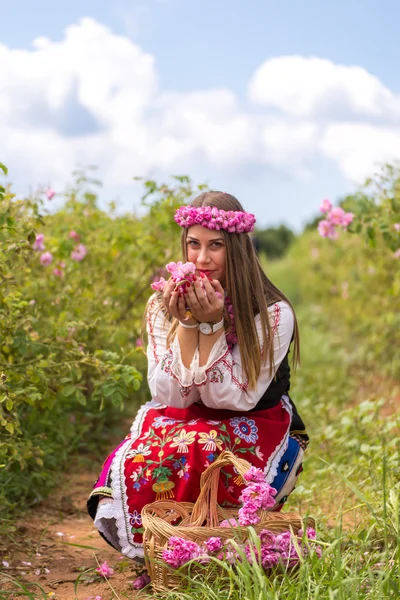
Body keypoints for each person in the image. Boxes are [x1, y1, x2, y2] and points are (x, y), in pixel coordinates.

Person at [87, 191, 309, 560]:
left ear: (236, 249)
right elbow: (171, 396)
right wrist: (187, 325)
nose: (201, 259)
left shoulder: (272, 312)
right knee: (155, 454)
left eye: (216, 246)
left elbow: (234, 398)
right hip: (184, 415)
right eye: (193, 244)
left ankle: (213, 543)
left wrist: (212, 327)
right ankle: (165, 548)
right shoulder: (162, 305)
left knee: (201, 446)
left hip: (254, 418)